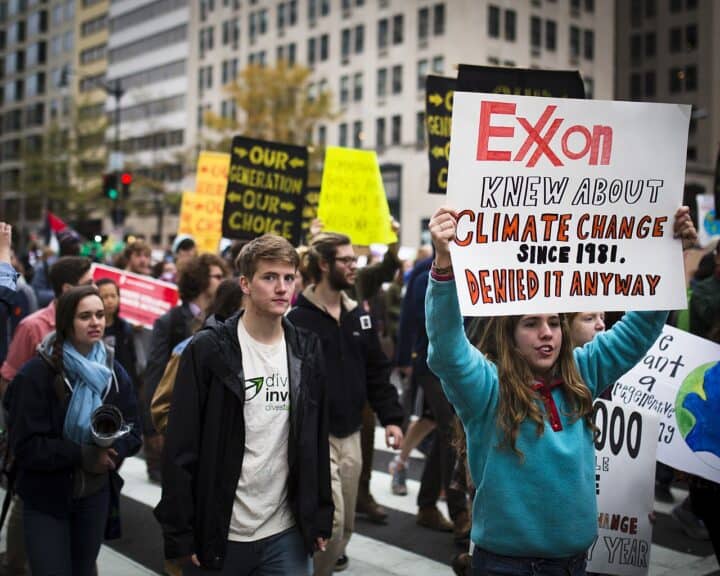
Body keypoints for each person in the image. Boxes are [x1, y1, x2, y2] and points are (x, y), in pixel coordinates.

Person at [425, 205, 696, 575]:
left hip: (572, 564)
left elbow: (639, 328)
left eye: (554, 321)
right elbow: (447, 350)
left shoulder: (583, 371)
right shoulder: (487, 388)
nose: (547, 332)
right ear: (510, 336)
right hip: (504, 566)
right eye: (531, 324)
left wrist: (670, 254)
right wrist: (444, 264)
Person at [155, 234, 333, 575]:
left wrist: (320, 513)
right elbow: (181, 447)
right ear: (245, 284)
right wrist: (180, 533)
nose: (281, 287)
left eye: (288, 277)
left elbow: (315, 438)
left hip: (287, 531)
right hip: (223, 530)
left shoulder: (306, 349)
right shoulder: (208, 350)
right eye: (269, 277)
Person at [287, 232, 404, 576]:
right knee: (332, 522)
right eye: (346, 260)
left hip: (351, 434)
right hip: (315, 437)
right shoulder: (296, 319)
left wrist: (393, 418)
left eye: (355, 260)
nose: (355, 266)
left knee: (348, 525)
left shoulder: (358, 316)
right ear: (324, 264)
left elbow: (377, 372)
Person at [4, 285, 141, 576]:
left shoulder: (114, 373)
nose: (95, 323)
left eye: (100, 315)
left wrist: (115, 452)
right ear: (66, 322)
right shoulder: (36, 375)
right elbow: (26, 447)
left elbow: (134, 429)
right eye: (85, 316)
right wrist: (83, 454)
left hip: (94, 496)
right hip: (46, 498)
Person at [142, 253, 228, 482]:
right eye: (217, 276)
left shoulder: (221, 321)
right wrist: (152, 429)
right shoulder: (169, 322)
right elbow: (155, 375)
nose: (222, 281)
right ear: (200, 279)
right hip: (178, 418)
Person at [96, 278, 139, 391]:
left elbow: (132, 360)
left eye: (113, 296)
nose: (110, 301)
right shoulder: (94, 328)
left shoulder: (125, 327)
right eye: (104, 297)